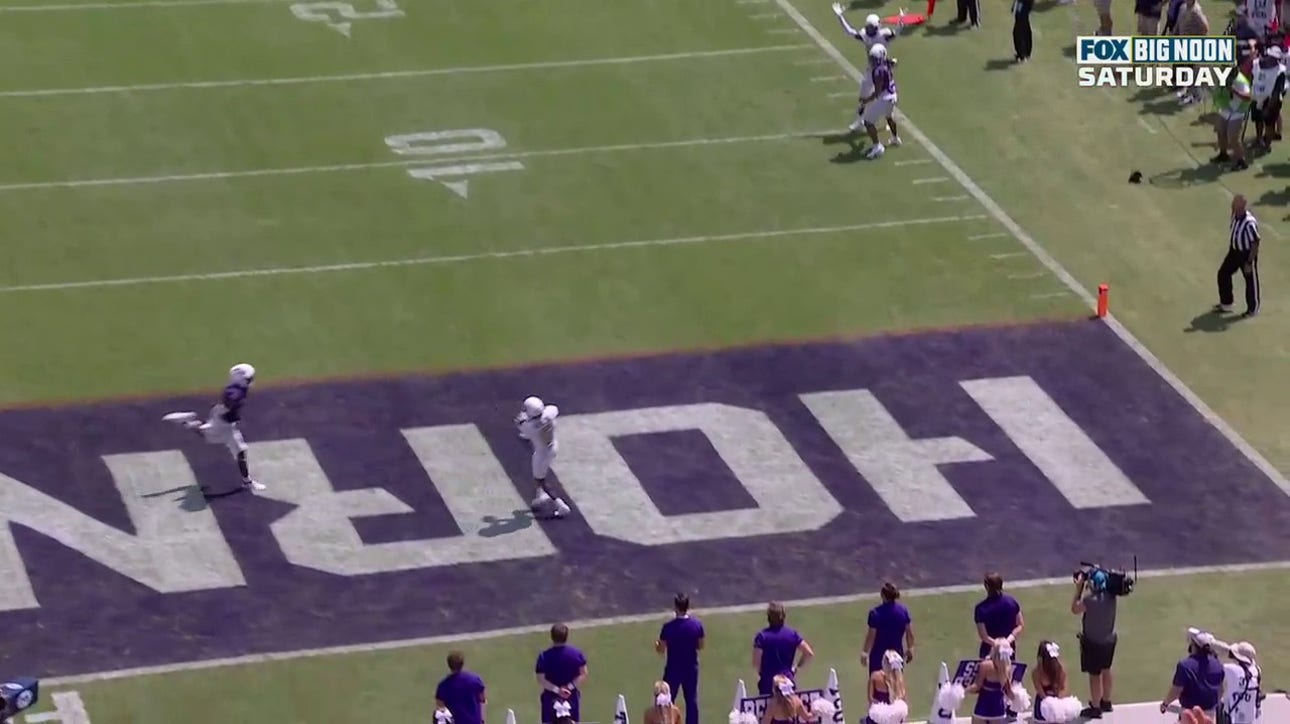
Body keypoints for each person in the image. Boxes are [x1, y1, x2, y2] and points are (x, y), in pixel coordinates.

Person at [162, 363, 266, 494]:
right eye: (249, 379)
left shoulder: (239, 389)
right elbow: (228, 399)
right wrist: (232, 407)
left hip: (227, 424)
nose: (251, 381)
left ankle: (247, 481)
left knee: (240, 450)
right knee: (209, 437)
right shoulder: (235, 392)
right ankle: (187, 423)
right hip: (221, 422)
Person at [974, 573, 1024, 720]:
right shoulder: (1012, 602)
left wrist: (996, 643)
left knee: (988, 684)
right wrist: (1008, 641)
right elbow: (1020, 625)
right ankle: (1010, 710)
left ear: (986, 587)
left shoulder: (981, 609)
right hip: (1008, 651)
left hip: (989, 652)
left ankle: (987, 715)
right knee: (1007, 679)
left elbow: (984, 636)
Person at [1070, 569, 1118, 719]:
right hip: (1109, 640)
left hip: (1092, 642)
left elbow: (1074, 609)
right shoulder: (1112, 597)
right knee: (1106, 669)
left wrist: (1079, 589)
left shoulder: (1089, 601)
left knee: (1094, 675)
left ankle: (1095, 707)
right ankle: (1106, 701)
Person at [516, 396, 571, 518]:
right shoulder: (550, 412)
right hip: (552, 446)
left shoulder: (528, 427)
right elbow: (553, 409)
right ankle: (539, 496)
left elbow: (522, 426)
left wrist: (523, 420)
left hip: (543, 453)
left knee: (540, 480)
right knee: (539, 474)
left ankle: (561, 506)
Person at [657, 593, 704, 724]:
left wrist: (656, 645)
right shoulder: (697, 625)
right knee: (691, 700)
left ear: (675, 607)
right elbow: (700, 646)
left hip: (673, 668)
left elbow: (661, 649)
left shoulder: (668, 628)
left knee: (667, 699)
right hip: (691, 668)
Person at [1160, 630, 1225, 719]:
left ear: (1194, 646)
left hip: (1189, 715)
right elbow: (1220, 691)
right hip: (1210, 715)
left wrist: (1165, 704)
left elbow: (1176, 690)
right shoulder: (1218, 665)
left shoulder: (1185, 666)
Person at [850, 45, 901, 159]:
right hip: (893, 95)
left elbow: (877, 92)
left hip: (884, 98)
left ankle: (877, 146)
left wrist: (866, 100)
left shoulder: (878, 71)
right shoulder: (886, 64)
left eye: (874, 58)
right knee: (889, 116)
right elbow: (894, 62)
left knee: (868, 122)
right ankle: (895, 138)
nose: (872, 60)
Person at [1216, 194, 1262, 317]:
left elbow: (1255, 242)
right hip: (1234, 251)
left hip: (1246, 254)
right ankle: (1227, 303)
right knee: (1223, 273)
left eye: (1235, 203)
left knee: (1250, 281)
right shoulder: (1235, 216)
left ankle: (1253, 308)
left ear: (1242, 206)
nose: (1232, 204)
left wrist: (1249, 262)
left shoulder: (1249, 222)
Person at [753, 602, 814, 696]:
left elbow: (756, 663)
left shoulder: (762, 637)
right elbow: (808, 652)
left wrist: (763, 673)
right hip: (787, 682)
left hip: (767, 684)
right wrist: (796, 668)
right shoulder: (792, 634)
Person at [536, 624, 589, 724]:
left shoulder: (544, 656)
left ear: (552, 637)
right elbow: (583, 673)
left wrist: (557, 690)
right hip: (571, 697)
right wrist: (569, 687)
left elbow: (541, 679)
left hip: (550, 699)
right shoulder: (577, 654)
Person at [862, 582, 915, 674]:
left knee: (877, 684)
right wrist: (910, 648)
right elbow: (909, 633)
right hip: (897, 655)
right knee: (896, 683)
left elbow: (871, 636)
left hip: (878, 656)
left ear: (882, 595)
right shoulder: (903, 611)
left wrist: (865, 653)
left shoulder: (875, 613)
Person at [1212, 63, 1253, 171]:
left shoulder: (1240, 81)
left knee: (1233, 138)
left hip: (1238, 111)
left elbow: (1248, 97)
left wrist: (1234, 90)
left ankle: (1241, 161)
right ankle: (1223, 154)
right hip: (1226, 108)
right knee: (1220, 131)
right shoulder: (1224, 77)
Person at [967, 639, 1017, 723]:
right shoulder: (1007, 668)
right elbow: (1009, 691)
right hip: (998, 706)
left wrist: (963, 690)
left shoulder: (985, 665)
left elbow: (977, 686)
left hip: (983, 704)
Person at [1031, 642, 1082, 723]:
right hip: (1044, 703)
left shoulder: (1061, 669)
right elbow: (1041, 693)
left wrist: (1058, 705)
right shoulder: (1036, 672)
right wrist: (1051, 705)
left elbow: (1064, 690)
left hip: (1059, 701)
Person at [1174, 0, 1211, 105]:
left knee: (1194, 73)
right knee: (1187, 70)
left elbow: (1205, 27)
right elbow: (1179, 23)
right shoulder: (1183, 7)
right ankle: (1188, 93)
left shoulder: (1196, 11)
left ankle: (1197, 97)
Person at [1251, 46, 1286, 150]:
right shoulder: (1257, 64)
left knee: (1269, 124)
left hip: (1271, 101)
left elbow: (1277, 91)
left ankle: (1267, 144)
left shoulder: (1280, 71)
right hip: (1257, 97)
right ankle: (1258, 139)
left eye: (1275, 58)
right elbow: (1252, 77)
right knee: (1258, 121)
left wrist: (1269, 107)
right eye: (1271, 57)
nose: (1272, 60)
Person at [437, 652, 487, 724]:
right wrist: (482, 720)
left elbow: (441, 709)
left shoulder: (443, 686)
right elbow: (483, 700)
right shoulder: (475, 680)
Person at [1219, 642, 1261, 724]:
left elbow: (1215, 666)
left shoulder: (1232, 670)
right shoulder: (1257, 670)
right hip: (1250, 718)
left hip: (1233, 717)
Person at [865, 651, 910, 724]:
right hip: (896, 718)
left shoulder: (874, 676)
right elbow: (904, 700)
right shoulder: (900, 680)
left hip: (878, 719)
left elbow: (871, 699)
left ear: (884, 662)